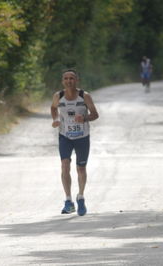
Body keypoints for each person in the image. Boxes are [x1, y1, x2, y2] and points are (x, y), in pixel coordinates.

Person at [50, 69, 99, 216]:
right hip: (65, 136)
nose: (69, 81)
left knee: (81, 168)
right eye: (66, 78)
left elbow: (95, 114)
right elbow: (53, 108)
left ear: (76, 80)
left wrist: (84, 119)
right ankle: (68, 200)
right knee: (65, 165)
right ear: (62, 81)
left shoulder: (85, 96)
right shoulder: (58, 96)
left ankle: (81, 197)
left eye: (72, 78)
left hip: (82, 136)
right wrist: (56, 119)